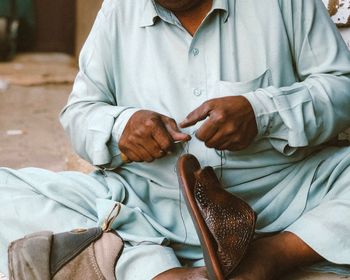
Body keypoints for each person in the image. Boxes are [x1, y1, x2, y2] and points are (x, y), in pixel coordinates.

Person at [1, 0, 350, 279]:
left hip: (279, 200)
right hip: (143, 209)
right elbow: (79, 112)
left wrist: (261, 113)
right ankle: (160, 271)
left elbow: (341, 87)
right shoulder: (118, 10)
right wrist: (120, 126)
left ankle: (272, 256)